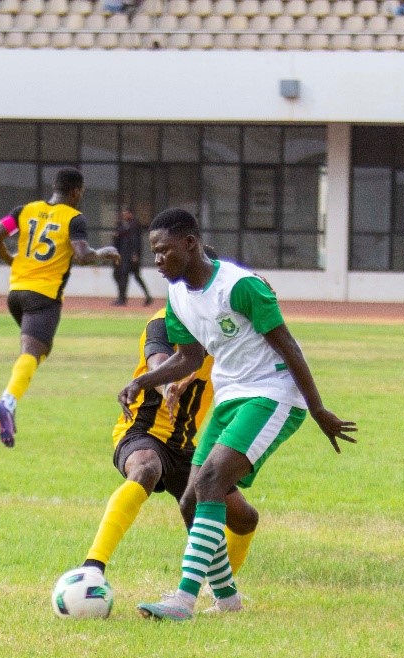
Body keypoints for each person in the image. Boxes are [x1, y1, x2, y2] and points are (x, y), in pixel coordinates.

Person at [118, 208, 357, 622]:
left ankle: (183, 600)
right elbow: (189, 357)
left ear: (190, 243)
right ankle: (227, 598)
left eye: (163, 251)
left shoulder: (240, 287)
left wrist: (317, 409)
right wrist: (143, 381)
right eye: (153, 252)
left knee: (211, 480)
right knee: (190, 501)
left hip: (273, 394)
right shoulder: (177, 296)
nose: (156, 260)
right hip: (231, 396)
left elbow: (289, 346)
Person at [80, 306, 262, 586]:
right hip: (142, 430)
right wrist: (168, 388)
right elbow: (158, 362)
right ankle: (93, 567)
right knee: (146, 468)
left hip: (185, 445)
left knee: (244, 518)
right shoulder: (163, 321)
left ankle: (219, 591)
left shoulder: (224, 330)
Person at [0, 167, 120, 448]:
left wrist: (10, 259)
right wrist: (103, 253)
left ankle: (10, 401)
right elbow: (82, 255)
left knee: (37, 352)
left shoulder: (24, 211)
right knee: (32, 353)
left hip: (16, 293)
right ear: (76, 192)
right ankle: (6, 403)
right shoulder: (73, 218)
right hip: (43, 296)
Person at [111, 207, 153, 307]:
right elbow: (117, 239)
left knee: (126, 276)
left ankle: (122, 299)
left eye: (126, 213)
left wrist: (135, 254)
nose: (124, 215)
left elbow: (136, 241)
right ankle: (124, 297)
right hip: (123, 255)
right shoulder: (122, 225)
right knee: (121, 275)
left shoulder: (134, 225)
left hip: (129, 256)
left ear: (131, 214)